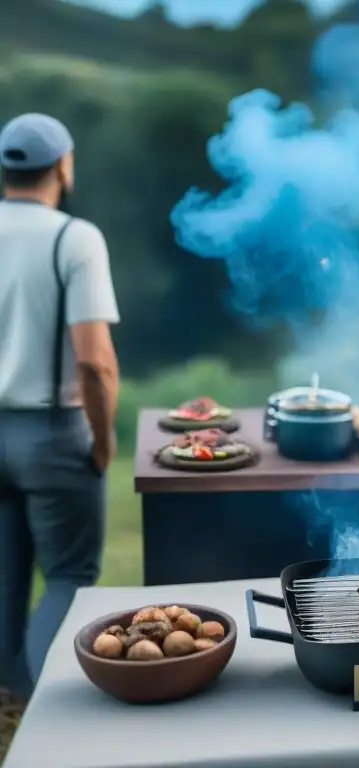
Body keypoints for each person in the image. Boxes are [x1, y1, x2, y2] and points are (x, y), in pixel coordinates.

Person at [0, 113, 120, 699]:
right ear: (64, 165)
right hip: (50, 430)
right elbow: (94, 361)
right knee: (70, 573)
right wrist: (102, 441)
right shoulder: (73, 238)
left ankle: (11, 698)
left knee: (5, 576)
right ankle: (46, 709)